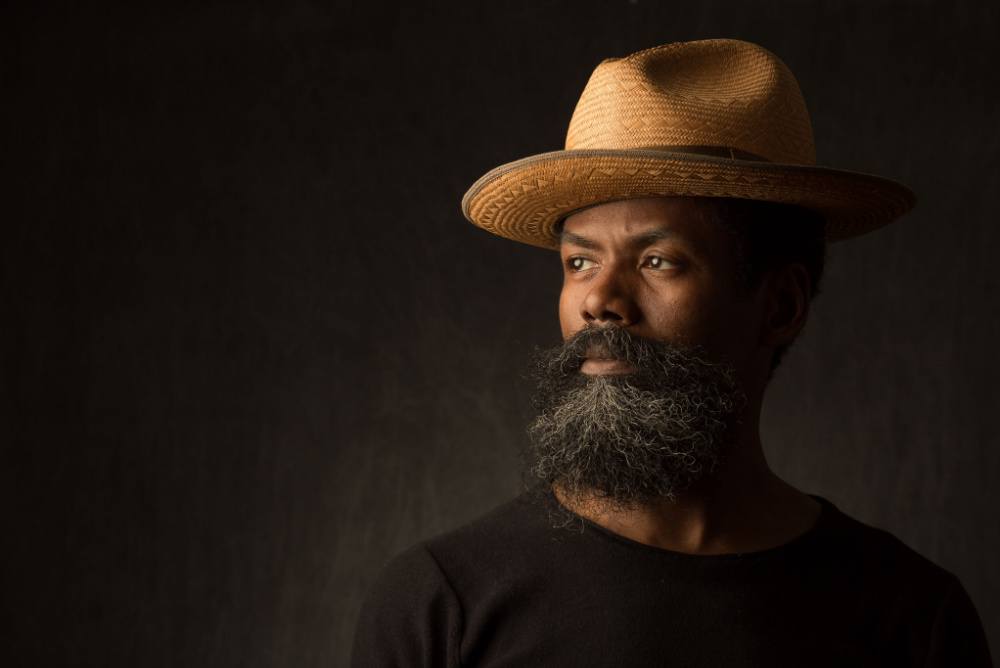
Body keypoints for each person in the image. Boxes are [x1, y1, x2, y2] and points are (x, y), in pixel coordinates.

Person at [350, 39, 992, 666]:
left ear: (782, 306)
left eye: (658, 261)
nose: (599, 301)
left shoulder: (911, 618)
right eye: (579, 262)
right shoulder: (442, 607)